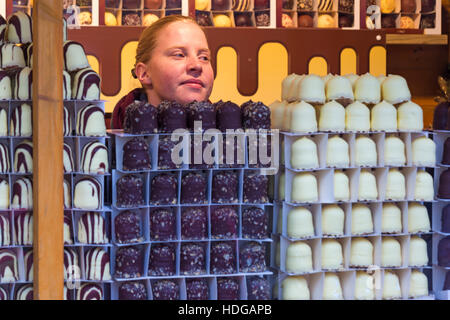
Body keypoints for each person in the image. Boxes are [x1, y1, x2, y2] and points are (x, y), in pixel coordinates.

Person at [111, 15, 214, 129]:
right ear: (144, 73)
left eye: (204, 57)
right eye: (179, 55)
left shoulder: (231, 136)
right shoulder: (103, 142)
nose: (197, 65)